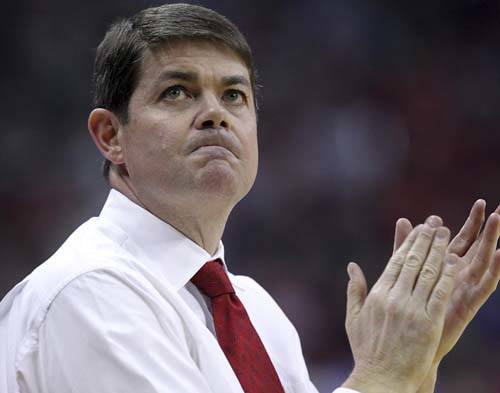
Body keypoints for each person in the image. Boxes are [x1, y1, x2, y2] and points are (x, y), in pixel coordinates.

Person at [1, 3, 499, 393]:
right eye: (177, 92)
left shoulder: (257, 310)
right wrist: (380, 377)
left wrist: (415, 365)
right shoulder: (90, 294)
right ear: (111, 135)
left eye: (234, 96)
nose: (214, 114)